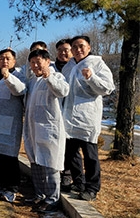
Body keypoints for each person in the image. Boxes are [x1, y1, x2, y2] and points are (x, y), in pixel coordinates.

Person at [61, 35, 115, 201]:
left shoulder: (97, 63)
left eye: (81, 46)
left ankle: (92, 187)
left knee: (90, 155)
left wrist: (92, 77)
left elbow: (108, 88)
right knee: (70, 153)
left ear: (89, 47)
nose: (78, 50)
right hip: (69, 117)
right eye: (74, 47)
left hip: (87, 117)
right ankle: (79, 182)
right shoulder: (68, 66)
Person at [23, 49, 69, 213]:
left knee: (50, 166)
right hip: (34, 129)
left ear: (47, 61)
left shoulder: (56, 76)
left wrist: (48, 75)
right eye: (32, 64)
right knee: (36, 164)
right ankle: (40, 194)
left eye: (38, 62)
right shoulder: (34, 81)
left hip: (49, 131)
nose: (35, 66)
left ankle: (52, 199)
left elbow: (63, 91)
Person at [0, 48, 26, 203]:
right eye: (1, 58)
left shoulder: (18, 75)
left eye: (7, 58)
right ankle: (0, 184)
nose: (4, 61)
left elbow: (20, 90)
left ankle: (11, 188)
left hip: (11, 122)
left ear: (14, 61)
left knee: (10, 156)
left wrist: (8, 76)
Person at [53, 38, 74, 190]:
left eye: (66, 50)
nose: (63, 53)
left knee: (70, 147)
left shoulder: (76, 67)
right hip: (54, 113)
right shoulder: (52, 67)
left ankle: (68, 175)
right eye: (60, 50)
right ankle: (57, 174)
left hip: (71, 112)